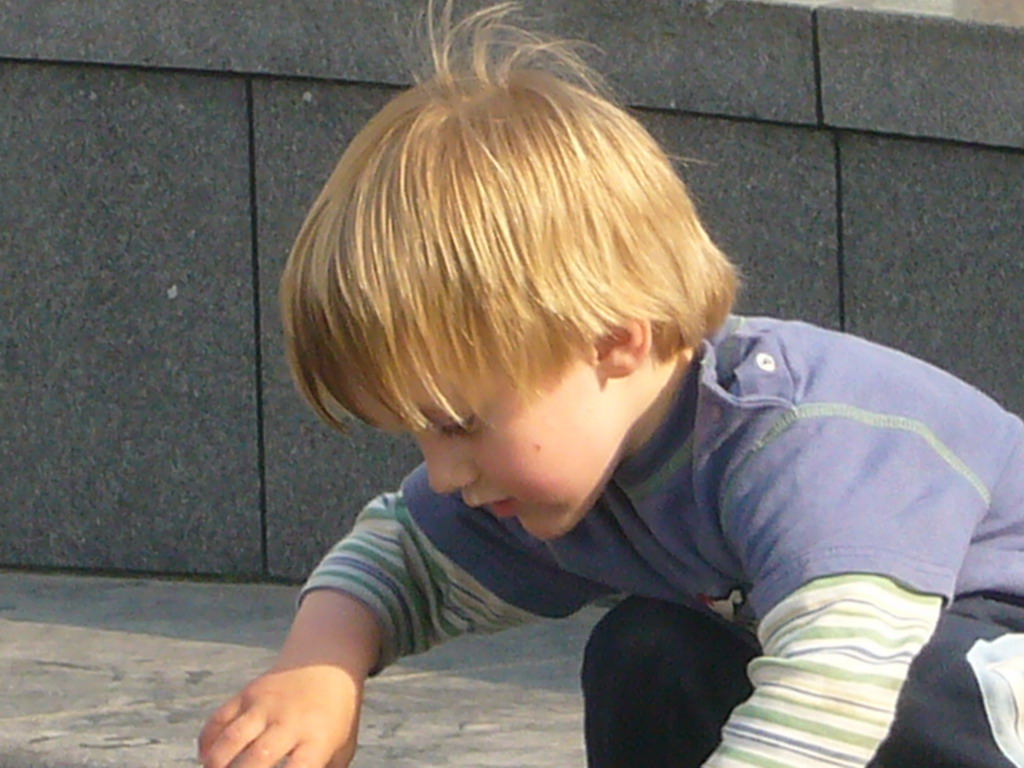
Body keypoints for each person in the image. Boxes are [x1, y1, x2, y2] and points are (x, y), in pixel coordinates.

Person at [198, 4, 1024, 768]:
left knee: (911, 672)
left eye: (458, 423)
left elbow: (829, 702)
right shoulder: (587, 457)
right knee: (648, 650)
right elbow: (407, 553)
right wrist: (320, 668)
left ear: (613, 342)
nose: (445, 470)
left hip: (975, 664)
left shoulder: (801, 446)